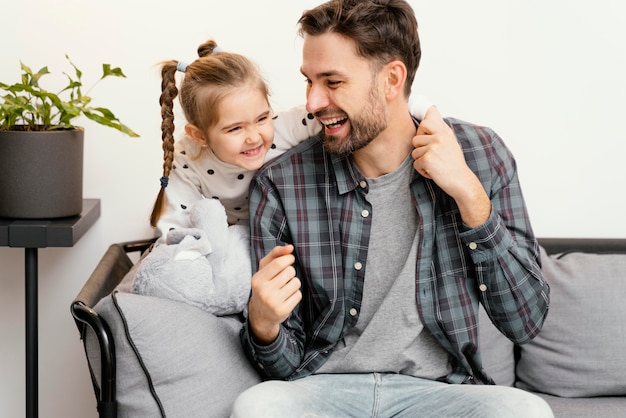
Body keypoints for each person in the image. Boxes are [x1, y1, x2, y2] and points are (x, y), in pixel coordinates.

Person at [232, 1, 552, 417]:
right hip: (325, 390)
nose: (312, 101)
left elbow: (525, 322)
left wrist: (469, 195)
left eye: (332, 81)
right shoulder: (283, 182)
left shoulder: (480, 154)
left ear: (392, 79)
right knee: (258, 407)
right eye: (309, 81)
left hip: (439, 393)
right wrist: (263, 323)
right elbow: (284, 364)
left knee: (526, 413)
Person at [150, 38, 432, 241]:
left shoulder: (283, 127)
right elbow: (173, 228)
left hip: (276, 236)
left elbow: (366, 111)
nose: (254, 137)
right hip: (223, 242)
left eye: (261, 118)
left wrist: (428, 113)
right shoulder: (189, 160)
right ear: (199, 136)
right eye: (235, 129)